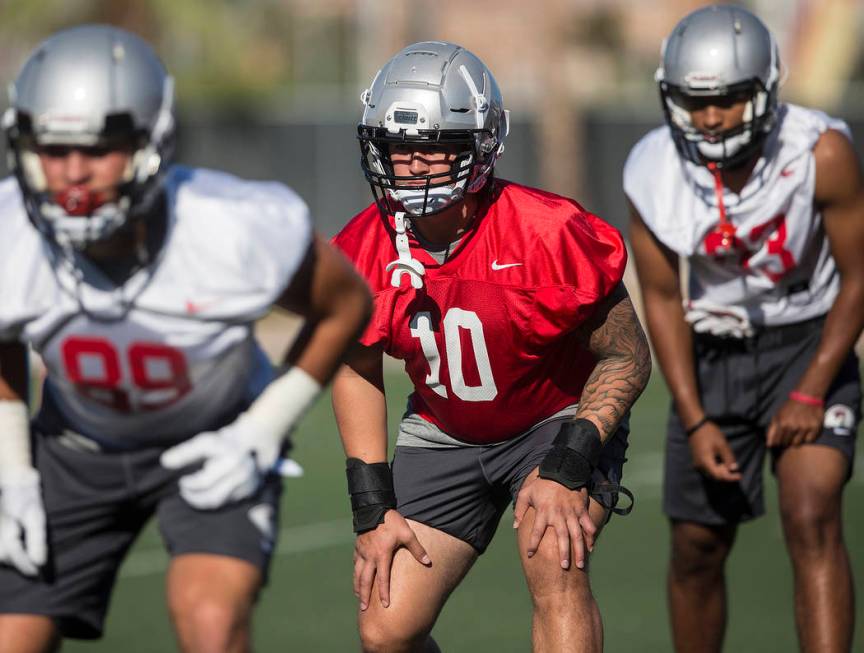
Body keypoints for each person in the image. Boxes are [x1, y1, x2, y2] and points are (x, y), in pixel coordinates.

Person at [0, 25, 371, 653]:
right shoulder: (11, 229)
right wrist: (12, 470)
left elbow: (346, 304)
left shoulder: (228, 227)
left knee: (210, 621)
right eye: (53, 148)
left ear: (152, 141)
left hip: (215, 436)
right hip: (74, 445)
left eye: (99, 148)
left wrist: (262, 428)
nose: (71, 173)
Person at [330, 41, 651, 653]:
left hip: (551, 420)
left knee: (554, 558)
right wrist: (371, 507)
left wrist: (570, 461)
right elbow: (355, 366)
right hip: (444, 429)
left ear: (479, 149)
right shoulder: (362, 247)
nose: (416, 166)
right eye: (401, 148)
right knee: (385, 627)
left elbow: (627, 356)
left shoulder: (547, 231)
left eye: (436, 148)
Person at [625, 5, 864, 653]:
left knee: (812, 512)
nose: (709, 117)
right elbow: (664, 299)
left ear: (765, 88)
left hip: (808, 341)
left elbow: (859, 275)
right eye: (694, 100)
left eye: (728, 99)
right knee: (697, 545)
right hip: (711, 354)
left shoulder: (822, 150)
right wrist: (695, 416)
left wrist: (813, 387)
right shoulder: (653, 168)